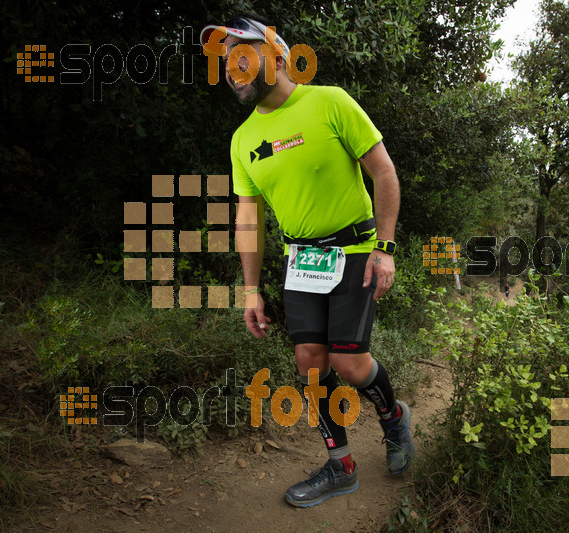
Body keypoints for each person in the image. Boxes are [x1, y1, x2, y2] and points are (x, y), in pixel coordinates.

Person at [200, 13, 416, 508]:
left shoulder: (330, 101)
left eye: (239, 54)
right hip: (302, 261)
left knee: (349, 361)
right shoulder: (241, 140)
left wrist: (386, 249)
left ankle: (392, 419)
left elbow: (384, 173)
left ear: (275, 56)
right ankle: (340, 466)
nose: (231, 68)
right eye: (224, 60)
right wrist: (251, 289)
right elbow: (248, 220)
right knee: (310, 364)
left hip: (356, 251)